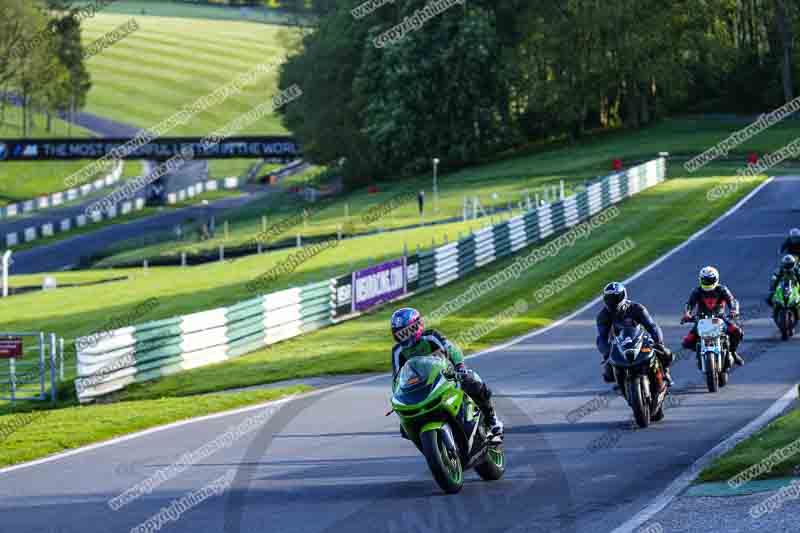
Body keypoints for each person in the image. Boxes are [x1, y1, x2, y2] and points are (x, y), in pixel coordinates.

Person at [390, 307, 503, 441]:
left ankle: (492, 419)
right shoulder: (397, 351)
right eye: (401, 334)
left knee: (472, 380)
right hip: (421, 388)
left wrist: (460, 366)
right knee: (404, 428)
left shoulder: (431, 336)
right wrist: (398, 394)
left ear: (418, 326)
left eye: (409, 330)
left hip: (446, 376)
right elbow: (397, 378)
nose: (407, 336)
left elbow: (451, 348)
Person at [596, 282, 673, 386]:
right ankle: (620, 379)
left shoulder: (637, 308)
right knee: (608, 375)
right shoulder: (603, 315)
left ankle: (666, 372)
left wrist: (658, 342)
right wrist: (606, 352)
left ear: (623, 296)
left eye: (616, 297)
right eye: (609, 298)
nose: (613, 301)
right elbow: (602, 337)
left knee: (664, 353)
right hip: (618, 343)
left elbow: (652, 326)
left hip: (639, 339)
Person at [681, 266, 745, 366]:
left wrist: (734, 310)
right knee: (687, 342)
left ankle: (732, 352)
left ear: (716, 279)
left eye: (710, 280)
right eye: (705, 280)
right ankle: (700, 351)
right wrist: (687, 314)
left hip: (720, 318)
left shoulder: (722, 289)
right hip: (701, 319)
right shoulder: (697, 291)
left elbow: (732, 301)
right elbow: (689, 304)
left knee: (738, 332)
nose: (707, 283)